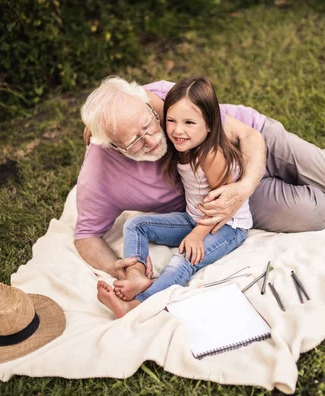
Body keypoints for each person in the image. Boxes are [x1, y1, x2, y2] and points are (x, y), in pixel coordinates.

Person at [77, 76, 325, 293]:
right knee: (317, 214)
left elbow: (247, 137)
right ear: (109, 144)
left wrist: (245, 186)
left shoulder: (163, 102)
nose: (153, 139)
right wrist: (115, 265)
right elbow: (86, 235)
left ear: (146, 105)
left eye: (149, 125)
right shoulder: (99, 171)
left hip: (251, 144)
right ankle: (312, 183)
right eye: (133, 141)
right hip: (220, 197)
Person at [97, 77, 253, 318]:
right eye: (171, 120)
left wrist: (196, 235)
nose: (178, 130)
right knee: (136, 224)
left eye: (189, 122)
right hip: (194, 218)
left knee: (183, 260)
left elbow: (222, 206)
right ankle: (137, 276)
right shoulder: (180, 141)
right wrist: (97, 124)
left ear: (210, 124)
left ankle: (137, 305)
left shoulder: (211, 155)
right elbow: (137, 101)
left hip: (227, 226)